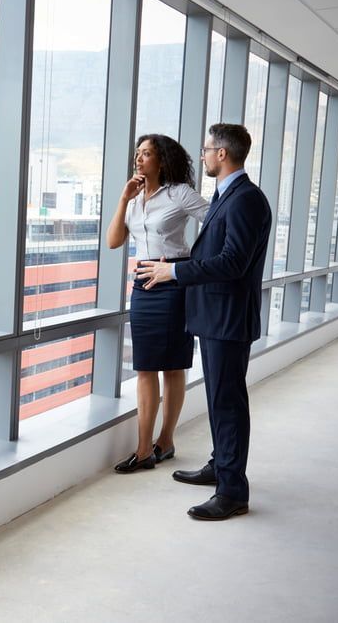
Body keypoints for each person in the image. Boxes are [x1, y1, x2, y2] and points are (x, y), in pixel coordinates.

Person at [137, 123, 272, 521]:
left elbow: (233, 262)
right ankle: (221, 465)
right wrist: (176, 265)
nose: (203, 156)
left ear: (223, 155)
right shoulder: (228, 196)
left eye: (207, 149)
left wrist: (174, 274)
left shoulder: (245, 199)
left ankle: (232, 491)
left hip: (227, 318)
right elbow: (217, 255)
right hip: (216, 317)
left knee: (227, 403)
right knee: (219, 400)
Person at [106, 134, 210, 473]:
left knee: (173, 366)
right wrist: (124, 198)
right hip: (142, 287)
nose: (138, 159)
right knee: (145, 366)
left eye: (146, 153)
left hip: (172, 285)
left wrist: (185, 266)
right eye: (137, 153)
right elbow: (113, 241)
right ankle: (143, 448)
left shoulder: (179, 194)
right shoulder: (135, 199)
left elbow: (217, 220)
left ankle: (165, 441)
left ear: (161, 160)